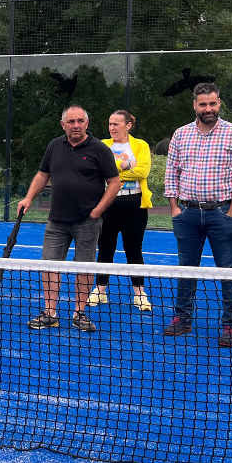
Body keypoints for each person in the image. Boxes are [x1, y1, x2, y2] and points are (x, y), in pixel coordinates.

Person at [163, 82, 232, 347]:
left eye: (213, 103)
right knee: (186, 270)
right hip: (187, 214)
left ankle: (230, 326)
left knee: (228, 271)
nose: (208, 109)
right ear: (195, 105)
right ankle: (182, 319)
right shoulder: (180, 134)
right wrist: (175, 209)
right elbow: (171, 173)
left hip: (222, 213)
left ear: (219, 103)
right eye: (203, 104)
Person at [17, 106, 121, 332]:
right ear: (63, 124)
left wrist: (98, 209)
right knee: (49, 266)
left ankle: (79, 313)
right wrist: (27, 198)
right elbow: (43, 174)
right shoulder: (54, 146)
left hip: (87, 222)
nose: (76, 125)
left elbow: (114, 183)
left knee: (83, 269)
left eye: (80, 121)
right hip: (57, 221)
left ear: (87, 123)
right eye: (71, 121)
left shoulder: (100, 149)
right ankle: (49, 313)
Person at [86, 110, 153, 312]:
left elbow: (142, 170)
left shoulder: (141, 145)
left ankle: (139, 294)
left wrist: (113, 171)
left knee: (134, 250)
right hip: (108, 204)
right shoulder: (102, 145)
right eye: (110, 124)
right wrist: (123, 165)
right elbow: (96, 169)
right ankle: (100, 290)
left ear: (128, 125)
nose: (112, 127)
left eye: (116, 124)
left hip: (135, 204)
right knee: (105, 247)